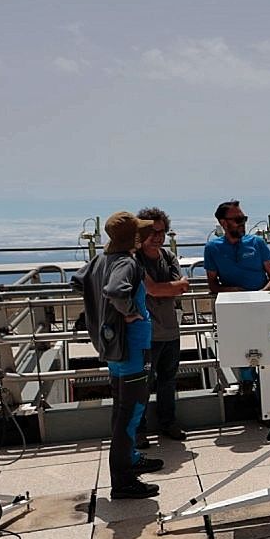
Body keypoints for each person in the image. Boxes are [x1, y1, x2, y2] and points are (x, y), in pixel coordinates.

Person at [72, 211, 165, 499]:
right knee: (131, 412)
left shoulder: (101, 259)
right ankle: (123, 481)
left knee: (122, 409)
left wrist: (100, 311)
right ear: (134, 237)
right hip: (131, 348)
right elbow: (115, 290)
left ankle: (131, 458)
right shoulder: (126, 262)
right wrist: (129, 312)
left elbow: (79, 281)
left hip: (114, 348)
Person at [203, 200, 270, 416]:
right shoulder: (213, 248)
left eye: (244, 218)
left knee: (266, 358)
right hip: (234, 312)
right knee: (243, 355)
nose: (242, 223)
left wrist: (260, 295)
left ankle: (269, 407)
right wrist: (233, 291)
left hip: (262, 309)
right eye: (237, 219)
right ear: (223, 222)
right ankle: (250, 402)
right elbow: (212, 285)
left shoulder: (256, 243)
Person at [135, 207, 191, 441]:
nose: (158, 237)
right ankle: (138, 430)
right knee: (142, 385)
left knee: (168, 381)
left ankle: (168, 423)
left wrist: (167, 289)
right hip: (146, 334)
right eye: (152, 232)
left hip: (170, 331)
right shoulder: (134, 260)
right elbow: (153, 289)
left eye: (162, 232)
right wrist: (169, 288)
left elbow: (184, 285)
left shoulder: (168, 257)